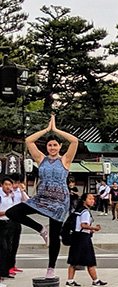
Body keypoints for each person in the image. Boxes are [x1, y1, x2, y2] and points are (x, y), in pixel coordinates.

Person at [5, 115, 78, 278]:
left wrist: (57, 130)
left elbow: (74, 141)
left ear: (59, 146)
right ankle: (40, 229)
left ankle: (51, 269)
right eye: (50, 145)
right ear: (47, 147)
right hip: (41, 198)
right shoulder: (41, 159)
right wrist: (46, 130)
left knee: (54, 236)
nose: (52, 147)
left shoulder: (65, 160)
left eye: (55, 145)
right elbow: (29, 141)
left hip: (59, 201)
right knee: (13, 213)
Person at [65, 193, 107, 287]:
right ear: (84, 200)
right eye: (90, 199)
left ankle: (70, 281)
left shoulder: (78, 210)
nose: (92, 201)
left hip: (76, 236)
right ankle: (95, 281)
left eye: (93, 199)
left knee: (74, 260)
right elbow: (83, 225)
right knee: (90, 259)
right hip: (83, 238)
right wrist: (94, 228)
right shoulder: (85, 212)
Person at [1, 176, 25, 285]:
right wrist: (7, 212)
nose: (8, 187)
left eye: (9, 185)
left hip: (9, 223)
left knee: (9, 248)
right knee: (3, 248)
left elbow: (26, 201)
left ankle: (5, 271)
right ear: (2, 185)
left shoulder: (11, 195)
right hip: (1, 223)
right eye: (6, 184)